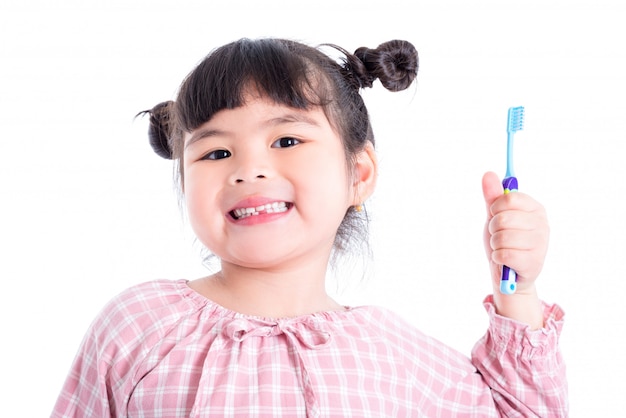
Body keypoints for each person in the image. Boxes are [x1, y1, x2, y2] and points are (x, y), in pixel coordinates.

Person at [51, 38, 567, 417]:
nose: (247, 169)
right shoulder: (139, 326)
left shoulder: (394, 358)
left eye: (287, 141)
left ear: (358, 174)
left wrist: (518, 289)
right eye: (215, 151)